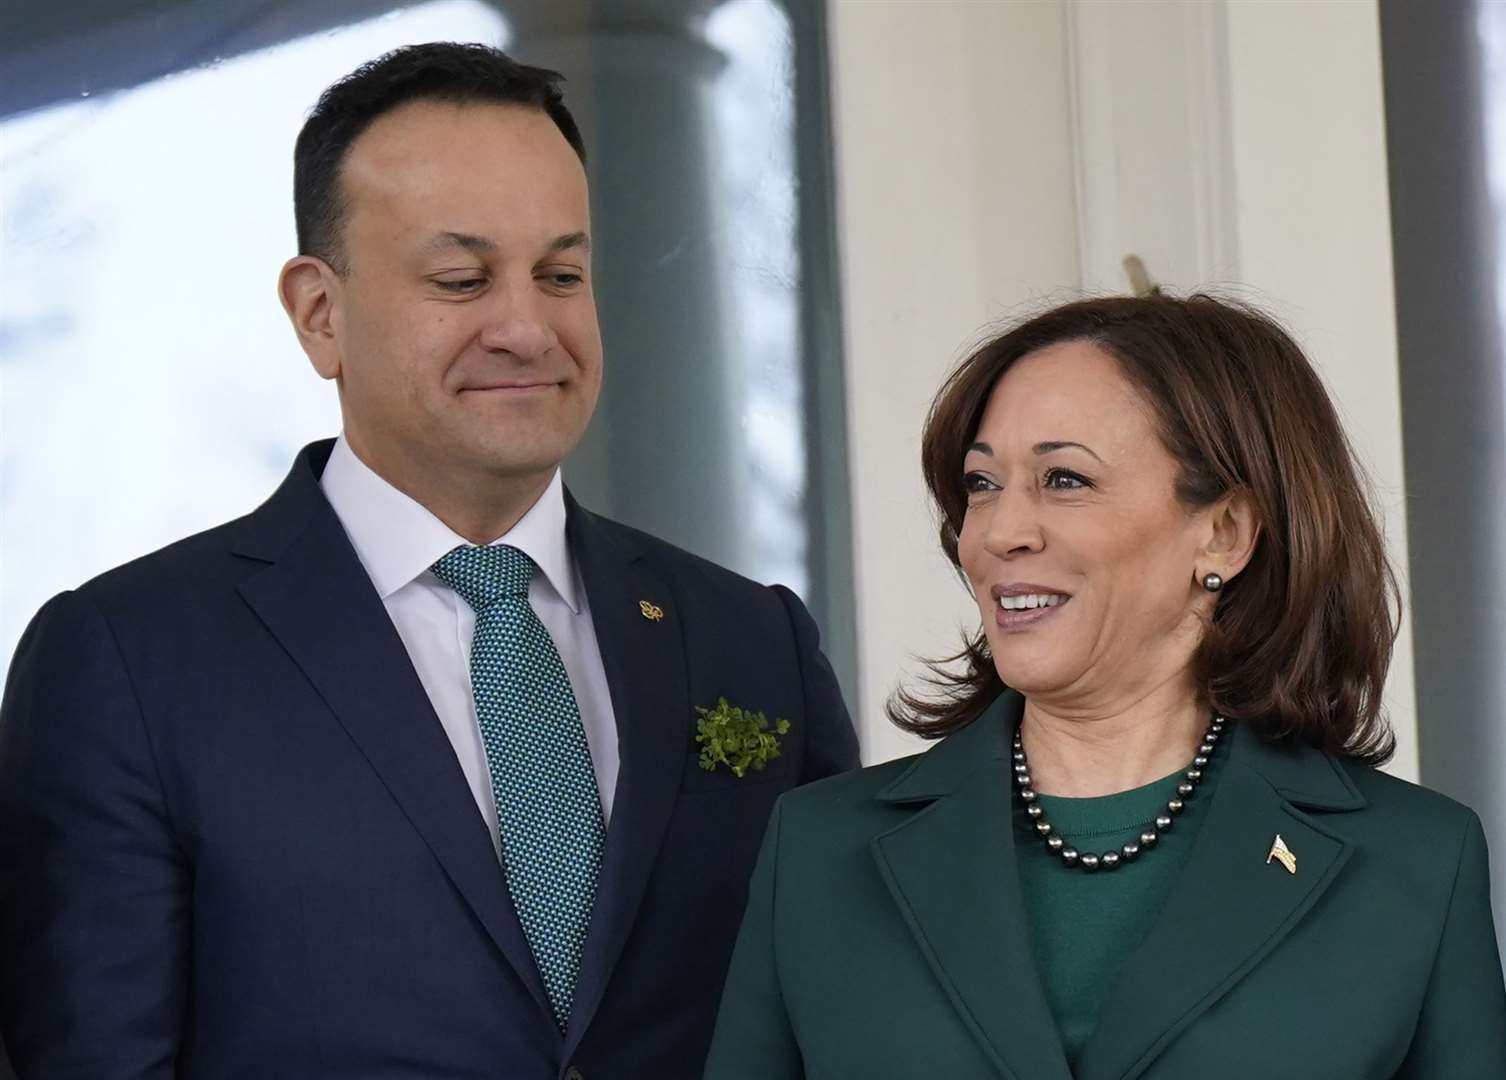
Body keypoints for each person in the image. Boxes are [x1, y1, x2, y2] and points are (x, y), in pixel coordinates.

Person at [0, 43, 857, 1078]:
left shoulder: (751, 642)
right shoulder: (130, 664)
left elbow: (845, 1023)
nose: (525, 327)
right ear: (320, 314)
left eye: (561, 274)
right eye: (462, 278)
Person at [703, 294, 1506, 1078]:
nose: (999, 534)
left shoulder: (1417, 866)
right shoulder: (817, 853)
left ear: (1223, 532)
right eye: (982, 485)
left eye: (1064, 480)